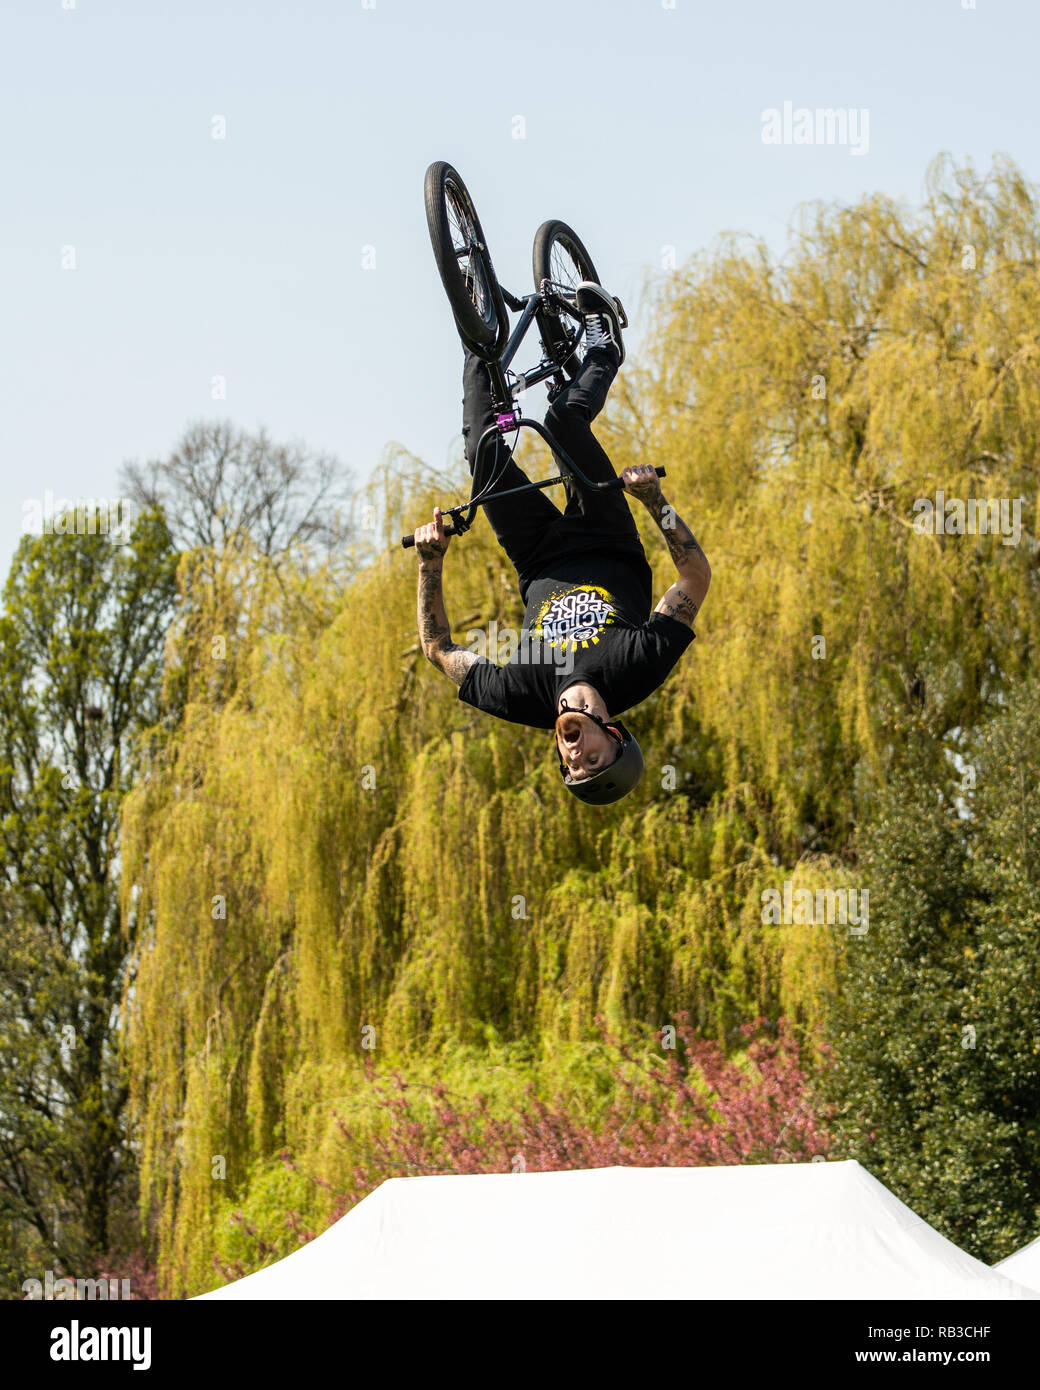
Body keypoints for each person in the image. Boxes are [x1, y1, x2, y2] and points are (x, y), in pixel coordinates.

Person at [412, 283, 710, 806]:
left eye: (572, 769)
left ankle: (477, 337)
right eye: (593, 760)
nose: (575, 758)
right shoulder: (636, 670)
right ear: (614, 734)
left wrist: (430, 563)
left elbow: (439, 650)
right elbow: (694, 579)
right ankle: (602, 350)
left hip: (536, 554)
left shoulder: (523, 697)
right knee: (562, 421)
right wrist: (653, 501)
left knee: (482, 452)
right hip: (606, 535)